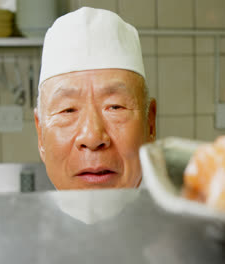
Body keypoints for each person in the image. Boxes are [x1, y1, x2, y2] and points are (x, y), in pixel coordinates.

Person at [34, 7, 156, 190]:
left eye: (115, 107)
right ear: (40, 136)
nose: (92, 137)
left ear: (150, 125)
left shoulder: (194, 216)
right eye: (68, 110)